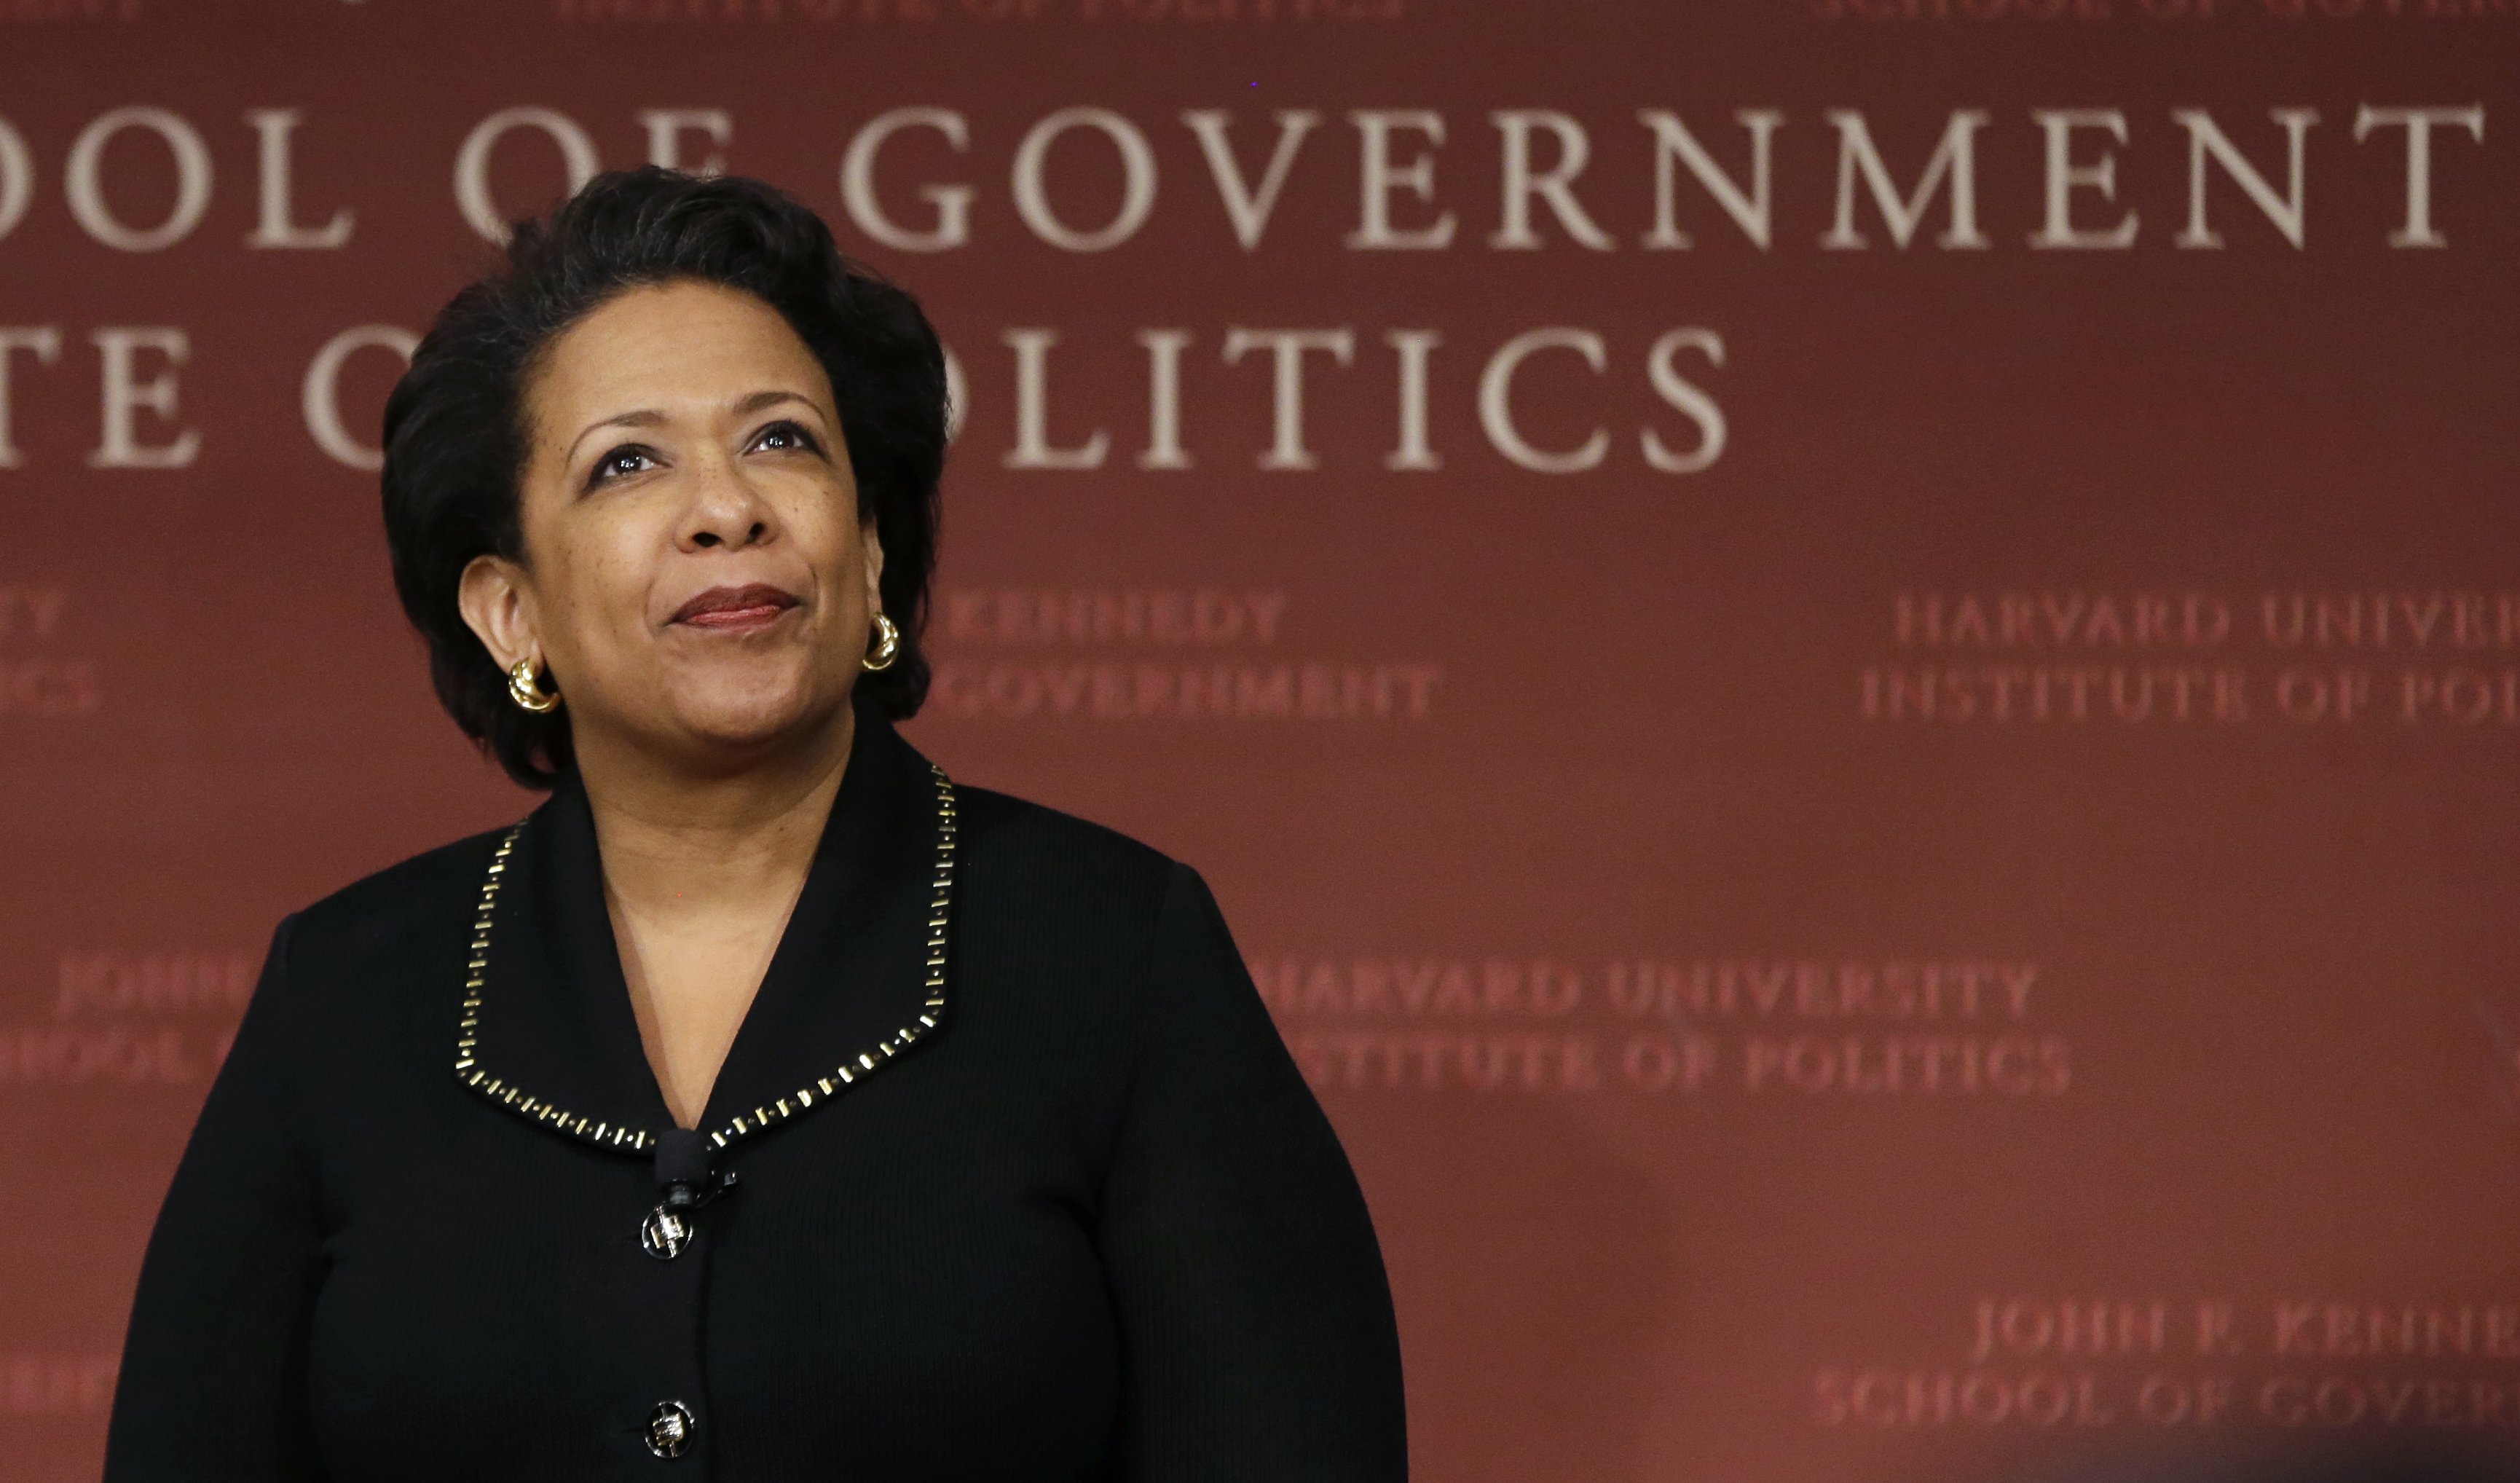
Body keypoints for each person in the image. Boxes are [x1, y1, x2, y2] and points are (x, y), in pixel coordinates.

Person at [102, 168, 1406, 1483]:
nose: (730, 507)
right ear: (513, 611)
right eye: (627, 463)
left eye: (783, 441)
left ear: (874, 549)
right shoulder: (348, 995)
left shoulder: (1113, 952)